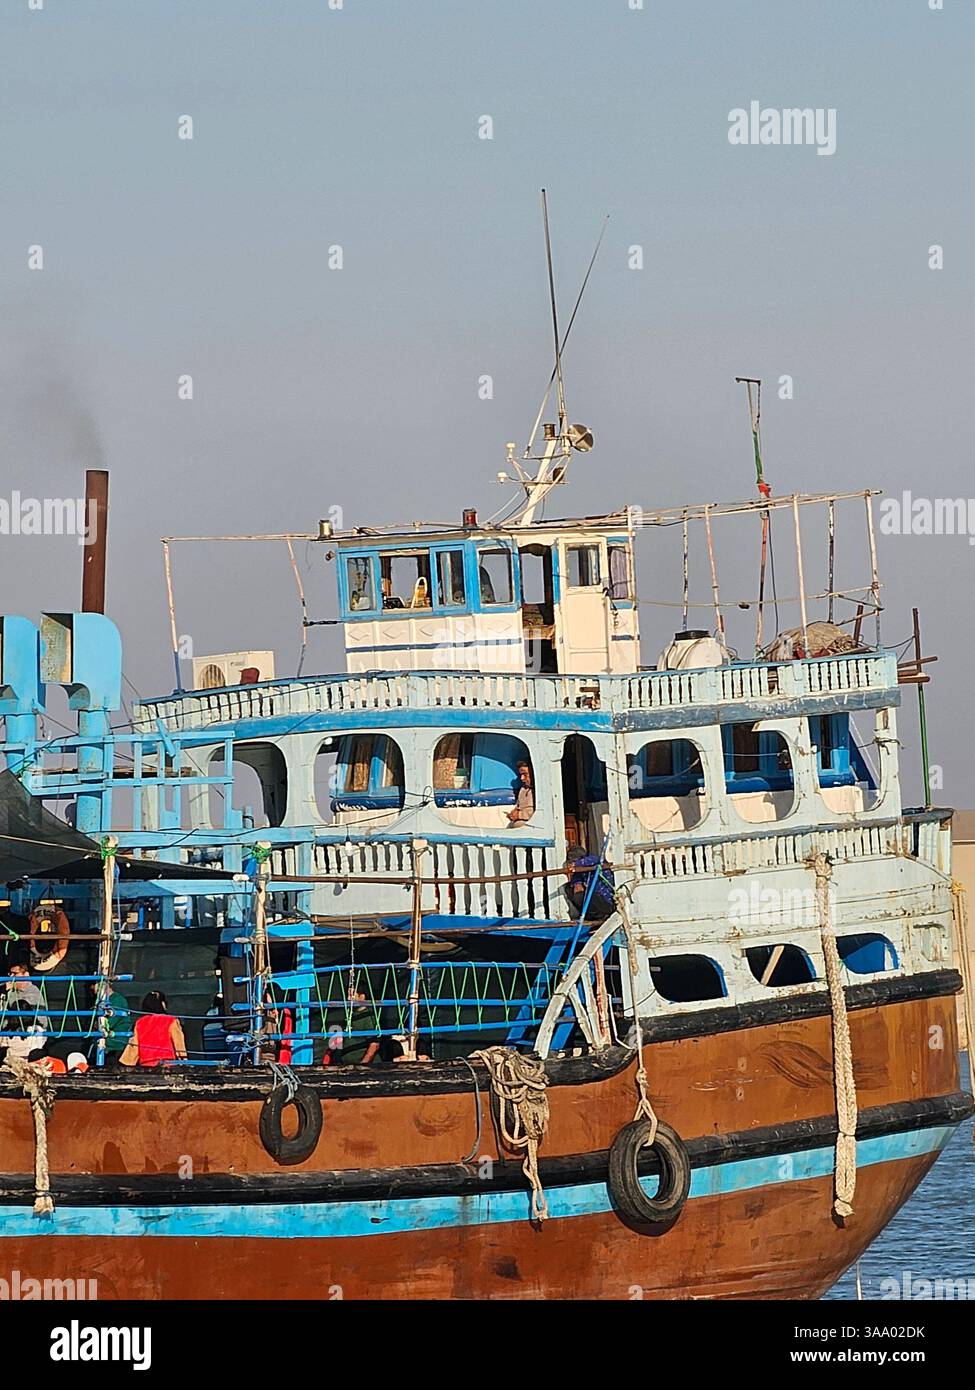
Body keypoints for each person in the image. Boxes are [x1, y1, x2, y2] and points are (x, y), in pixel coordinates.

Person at [118, 992, 187, 1068]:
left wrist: (127, 1062)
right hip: (167, 1065)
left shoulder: (139, 1023)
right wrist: (183, 1060)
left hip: (146, 1066)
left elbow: (134, 1046)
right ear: (162, 1004)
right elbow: (179, 1043)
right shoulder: (170, 1020)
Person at [564, 844, 616, 922]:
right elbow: (576, 879)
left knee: (593, 895)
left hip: (606, 900)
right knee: (570, 889)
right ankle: (592, 916)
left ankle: (602, 916)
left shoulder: (594, 860)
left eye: (574, 861)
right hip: (595, 900)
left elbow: (593, 860)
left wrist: (576, 864)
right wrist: (576, 884)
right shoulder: (580, 871)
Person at [506, 761, 535, 826]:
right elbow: (518, 806)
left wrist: (520, 815)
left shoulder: (540, 791)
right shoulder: (523, 789)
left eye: (525, 774)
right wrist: (513, 813)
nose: (522, 778)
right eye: (521, 775)